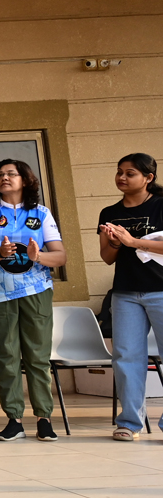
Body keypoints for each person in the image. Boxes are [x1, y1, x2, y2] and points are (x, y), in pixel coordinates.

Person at [0, 160, 66, 442]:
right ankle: (14, 420)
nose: (4, 177)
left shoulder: (41, 213)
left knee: (38, 356)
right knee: (5, 356)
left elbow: (60, 256)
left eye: (11, 174)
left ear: (25, 180)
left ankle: (44, 418)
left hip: (37, 290)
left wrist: (38, 256)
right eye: (0, 174)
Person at [97, 153, 163, 441]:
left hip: (160, 290)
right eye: (119, 172)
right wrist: (114, 243)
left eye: (130, 173)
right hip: (125, 293)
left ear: (148, 178)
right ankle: (130, 423)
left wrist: (132, 241)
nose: (122, 177)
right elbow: (107, 257)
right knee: (126, 358)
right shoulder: (109, 212)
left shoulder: (160, 205)